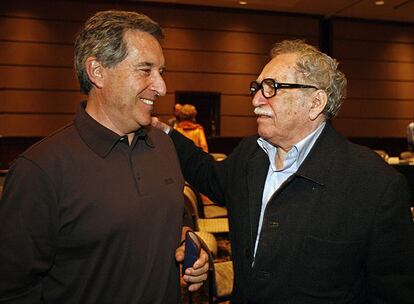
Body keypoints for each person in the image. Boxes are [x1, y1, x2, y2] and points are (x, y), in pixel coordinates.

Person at [153, 39, 414, 303]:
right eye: (256, 88)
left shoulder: (375, 184)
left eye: (271, 88)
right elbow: (209, 175)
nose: (255, 100)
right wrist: (163, 131)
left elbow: (392, 293)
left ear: (315, 102)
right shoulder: (250, 154)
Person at [0, 10, 208, 304]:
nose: (161, 87)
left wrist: (190, 244)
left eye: (161, 72)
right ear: (97, 71)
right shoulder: (40, 169)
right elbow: (13, 290)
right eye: (145, 70)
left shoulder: (164, 146)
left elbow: (176, 222)